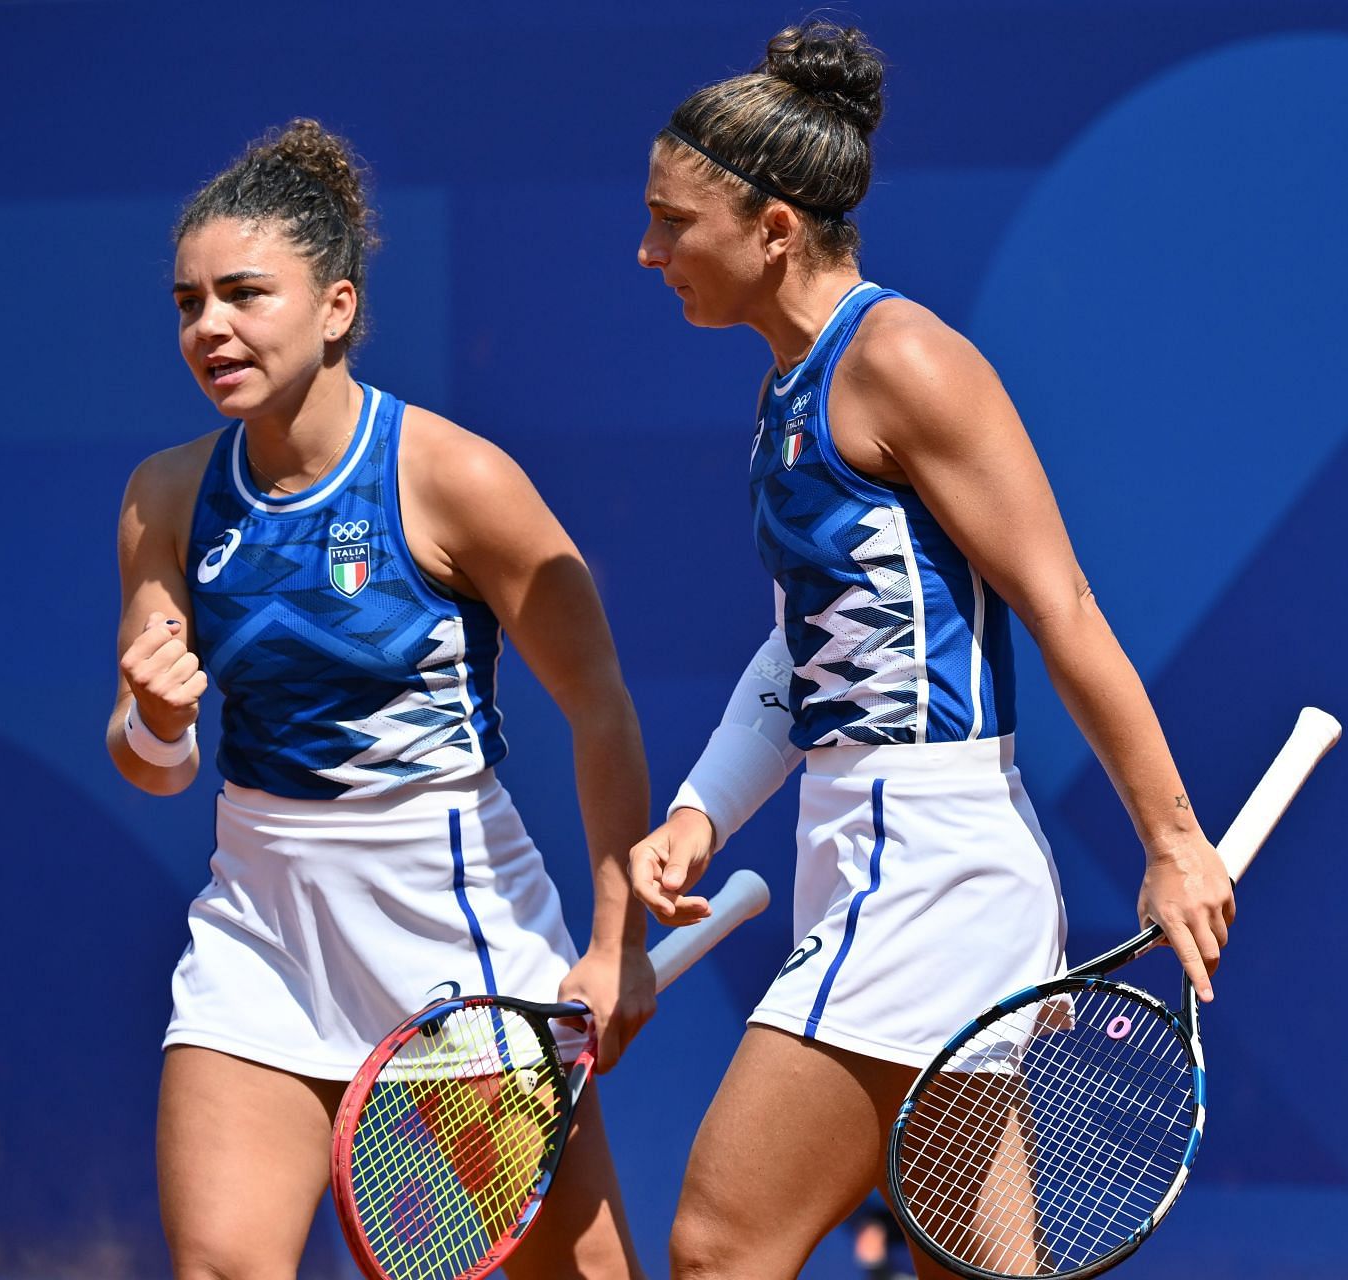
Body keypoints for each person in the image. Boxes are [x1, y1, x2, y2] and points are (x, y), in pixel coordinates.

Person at [627, 23, 1236, 1280]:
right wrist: (701, 811)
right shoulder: (785, 390)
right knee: (981, 1264)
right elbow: (810, 652)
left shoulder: (903, 360)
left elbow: (1061, 604)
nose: (650, 251)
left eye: (673, 222)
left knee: (718, 1245)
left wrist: (1172, 838)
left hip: (929, 873)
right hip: (863, 855)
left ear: (774, 227)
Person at [107, 118, 653, 1280]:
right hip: (262, 921)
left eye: (246, 294)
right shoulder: (164, 496)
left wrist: (618, 939)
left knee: (578, 1274)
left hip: (448, 922)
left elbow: (597, 701)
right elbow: (155, 762)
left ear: (337, 307)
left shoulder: (458, 478)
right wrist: (154, 717)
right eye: (189, 301)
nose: (211, 326)